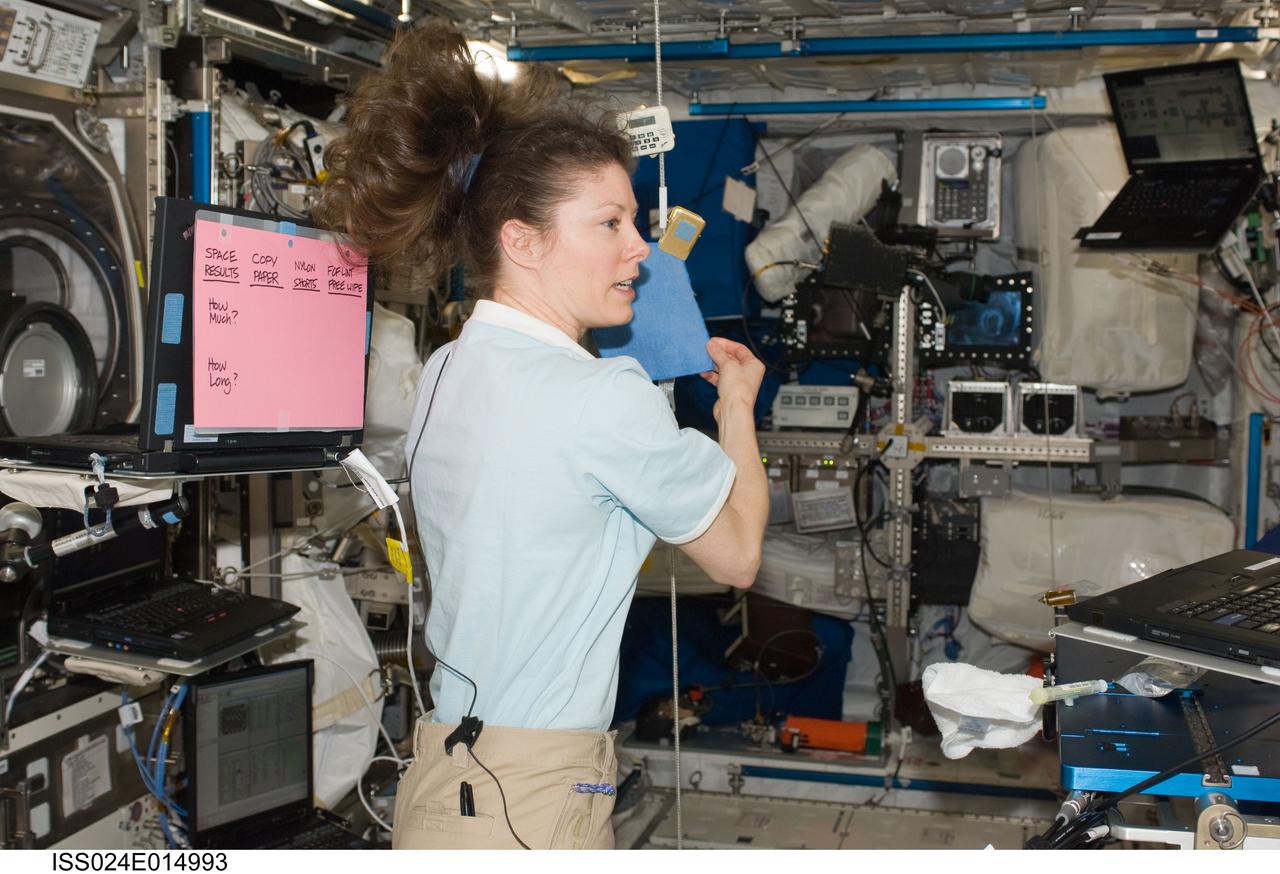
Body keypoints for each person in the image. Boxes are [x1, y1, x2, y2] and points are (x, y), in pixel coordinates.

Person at [319, 20, 768, 850]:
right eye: (610, 225)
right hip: (537, 794)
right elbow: (739, 553)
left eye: (634, 222)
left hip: (447, 772)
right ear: (520, 241)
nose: (640, 250)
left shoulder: (448, 369)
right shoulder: (602, 398)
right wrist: (737, 405)